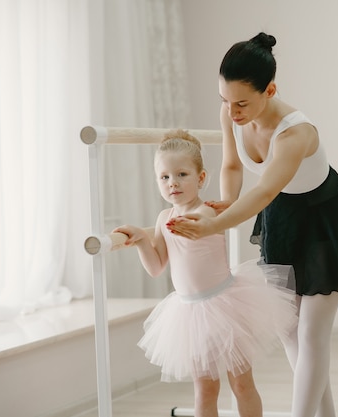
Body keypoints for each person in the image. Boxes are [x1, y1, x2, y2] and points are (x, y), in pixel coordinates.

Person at [166, 32, 338, 417]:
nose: (232, 112)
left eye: (241, 103)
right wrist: (228, 201)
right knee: (288, 329)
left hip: (325, 221)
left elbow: (265, 189)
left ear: (270, 90)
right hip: (283, 219)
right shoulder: (231, 112)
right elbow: (232, 166)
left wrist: (215, 226)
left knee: (312, 333)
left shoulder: (296, 132)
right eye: (225, 101)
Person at [113, 129, 298, 417]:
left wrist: (189, 220)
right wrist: (140, 239)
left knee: (241, 383)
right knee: (205, 389)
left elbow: (200, 224)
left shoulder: (208, 211)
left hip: (226, 306)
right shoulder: (163, 219)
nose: (173, 183)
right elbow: (156, 266)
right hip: (190, 315)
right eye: (164, 177)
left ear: (200, 178)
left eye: (182, 174)